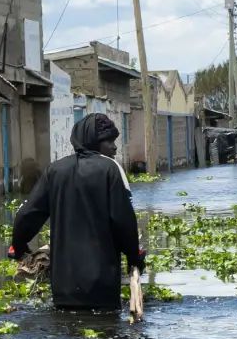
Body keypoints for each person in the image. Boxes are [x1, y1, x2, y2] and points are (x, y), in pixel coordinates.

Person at [9, 114, 144, 313]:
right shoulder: (109, 170)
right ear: (92, 141)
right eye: (109, 141)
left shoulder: (54, 171)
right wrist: (134, 257)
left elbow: (27, 215)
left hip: (63, 287)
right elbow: (123, 221)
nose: (114, 147)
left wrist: (19, 247)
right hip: (102, 286)